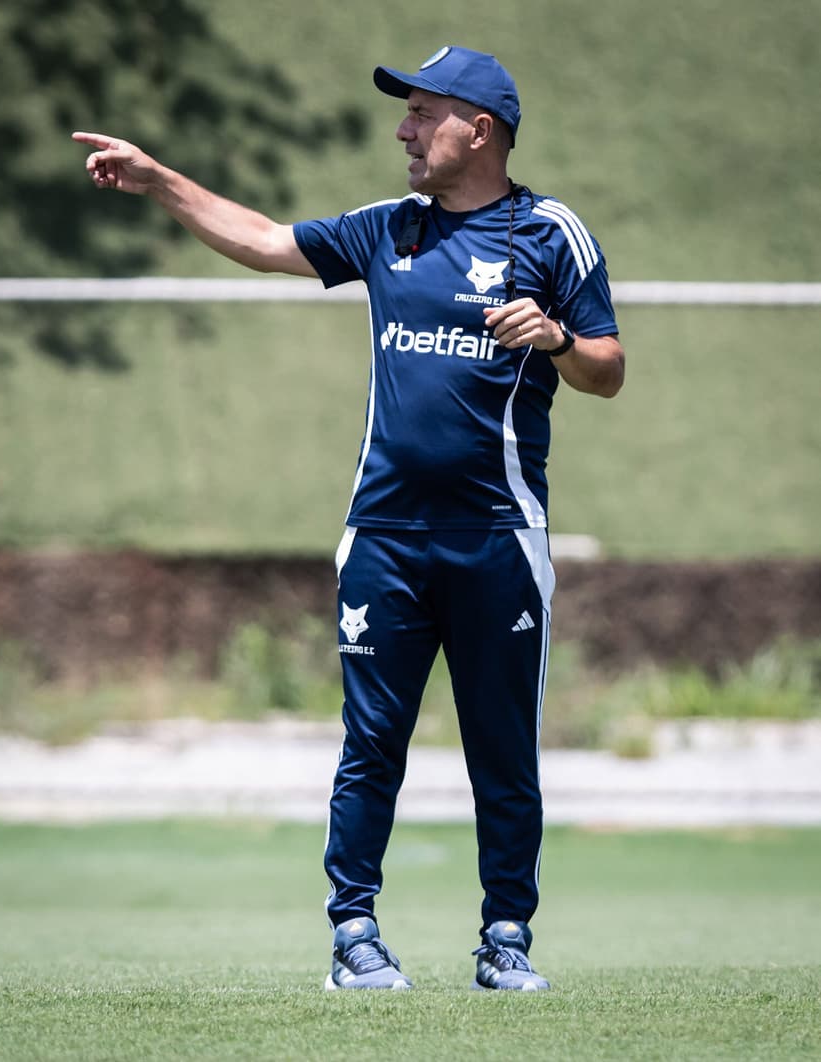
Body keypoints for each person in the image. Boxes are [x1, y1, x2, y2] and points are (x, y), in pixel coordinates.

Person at [73, 44, 624, 992]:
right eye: (404, 114)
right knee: (372, 745)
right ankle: (354, 937)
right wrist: (162, 181)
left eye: (422, 113)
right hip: (384, 542)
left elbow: (608, 369)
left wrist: (559, 338)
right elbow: (263, 240)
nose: (404, 131)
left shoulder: (551, 234)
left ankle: (506, 943)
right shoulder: (387, 231)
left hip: (500, 540)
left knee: (505, 749)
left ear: (478, 128)